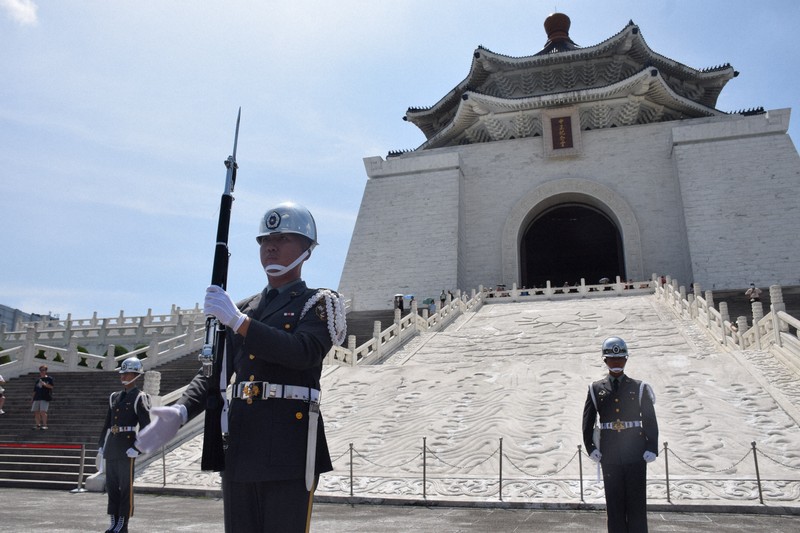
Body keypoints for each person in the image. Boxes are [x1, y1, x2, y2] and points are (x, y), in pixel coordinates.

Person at [136, 202, 346, 532]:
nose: (271, 247)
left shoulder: (319, 303)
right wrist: (181, 411)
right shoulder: (245, 307)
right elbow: (215, 371)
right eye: (265, 240)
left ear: (307, 249)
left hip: (290, 444)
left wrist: (239, 322)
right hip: (241, 442)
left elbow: (303, 352)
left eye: (283, 238)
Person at [582, 337, 659, 533]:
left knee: (637, 502)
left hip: (636, 452)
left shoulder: (639, 387)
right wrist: (591, 447)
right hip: (610, 454)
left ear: (626, 359)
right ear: (605, 361)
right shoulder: (595, 388)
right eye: (612, 359)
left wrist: (652, 446)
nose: (616, 362)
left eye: (620, 359)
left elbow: (649, 419)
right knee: (614, 503)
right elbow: (588, 421)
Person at [97, 357, 151, 533]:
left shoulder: (140, 397)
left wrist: (137, 448)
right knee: (112, 487)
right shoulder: (114, 397)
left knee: (125, 488)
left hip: (127, 448)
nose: (123, 376)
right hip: (112, 446)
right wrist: (101, 445)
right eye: (122, 373)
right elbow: (107, 424)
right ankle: (113, 521)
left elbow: (146, 427)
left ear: (136, 375)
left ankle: (123, 524)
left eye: (127, 373)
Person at [31, 364, 54, 429]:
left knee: (43, 411)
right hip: (37, 397)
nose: (42, 371)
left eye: (43, 370)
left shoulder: (49, 378)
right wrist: (32, 398)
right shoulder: (38, 380)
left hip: (45, 397)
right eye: (40, 370)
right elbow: (35, 390)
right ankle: (38, 425)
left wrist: (44, 384)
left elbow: (51, 387)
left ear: (46, 371)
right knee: (36, 411)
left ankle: (45, 425)